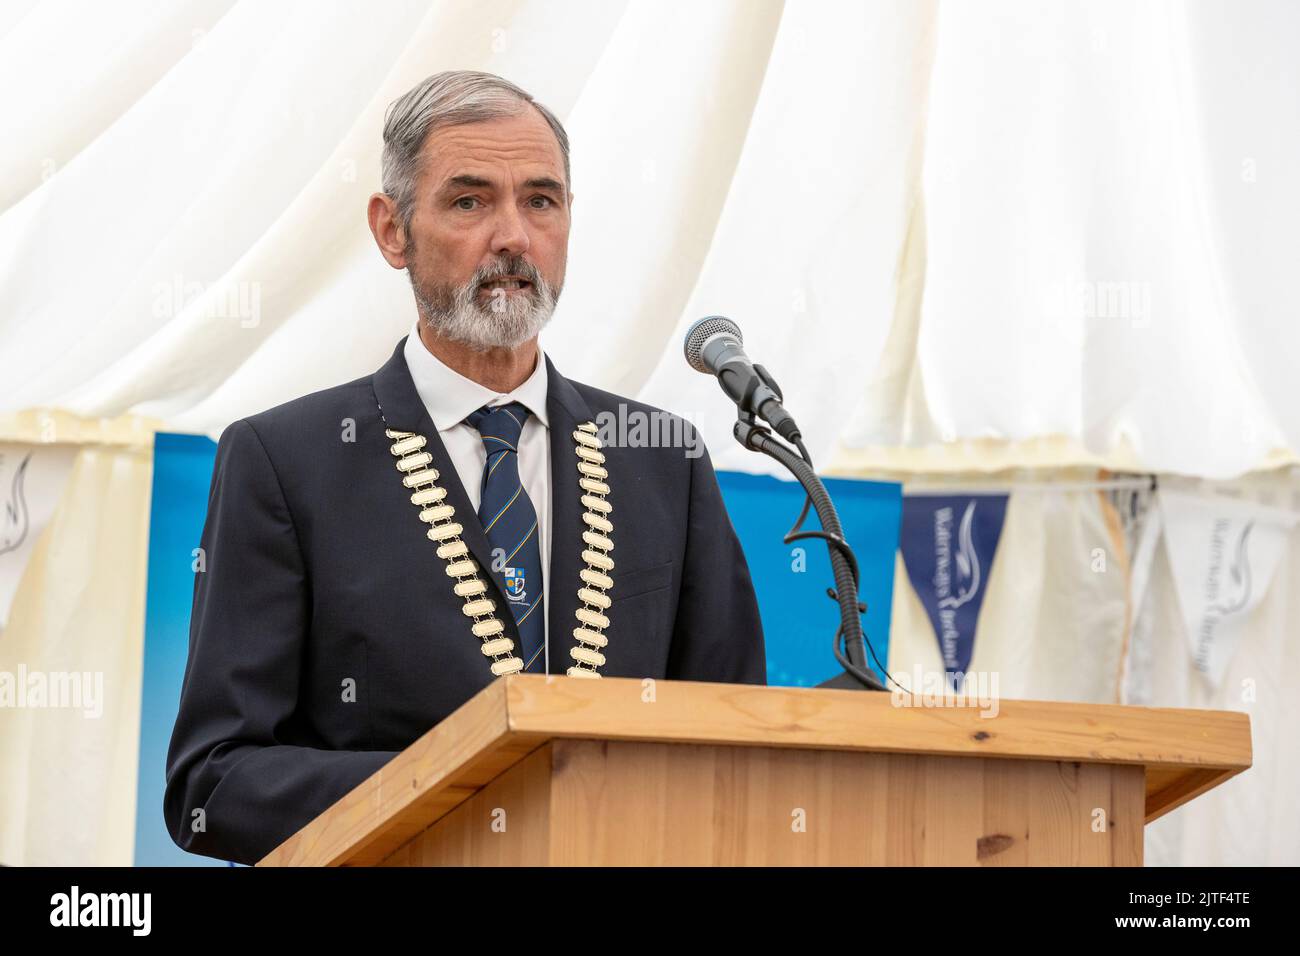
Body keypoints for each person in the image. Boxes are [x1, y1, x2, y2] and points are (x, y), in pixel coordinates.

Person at [164, 70, 765, 866]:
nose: (514, 235)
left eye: (541, 201)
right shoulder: (284, 462)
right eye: (470, 201)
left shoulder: (662, 459)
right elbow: (213, 784)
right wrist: (470, 794)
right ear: (392, 230)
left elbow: (735, 745)